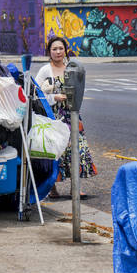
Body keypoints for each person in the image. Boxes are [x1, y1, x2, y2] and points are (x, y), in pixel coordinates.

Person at [35, 35, 97, 198]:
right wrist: (54, 98)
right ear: (49, 51)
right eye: (54, 49)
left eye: (60, 48)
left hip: (72, 115)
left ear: (65, 50)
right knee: (55, 151)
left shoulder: (72, 67)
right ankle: (51, 188)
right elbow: (36, 94)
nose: (58, 52)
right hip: (52, 116)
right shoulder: (44, 70)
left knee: (77, 149)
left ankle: (75, 187)